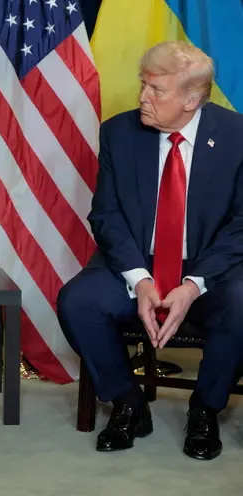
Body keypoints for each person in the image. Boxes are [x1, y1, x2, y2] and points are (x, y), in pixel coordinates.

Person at [57, 41, 243, 461]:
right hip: (137, 262)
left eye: (156, 90)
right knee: (78, 301)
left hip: (209, 268)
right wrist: (140, 280)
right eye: (143, 84)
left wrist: (193, 285)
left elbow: (241, 226)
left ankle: (205, 409)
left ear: (191, 100)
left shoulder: (237, 136)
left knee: (241, 304)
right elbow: (106, 215)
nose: (143, 96)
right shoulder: (119, 132)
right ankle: (129, 403)